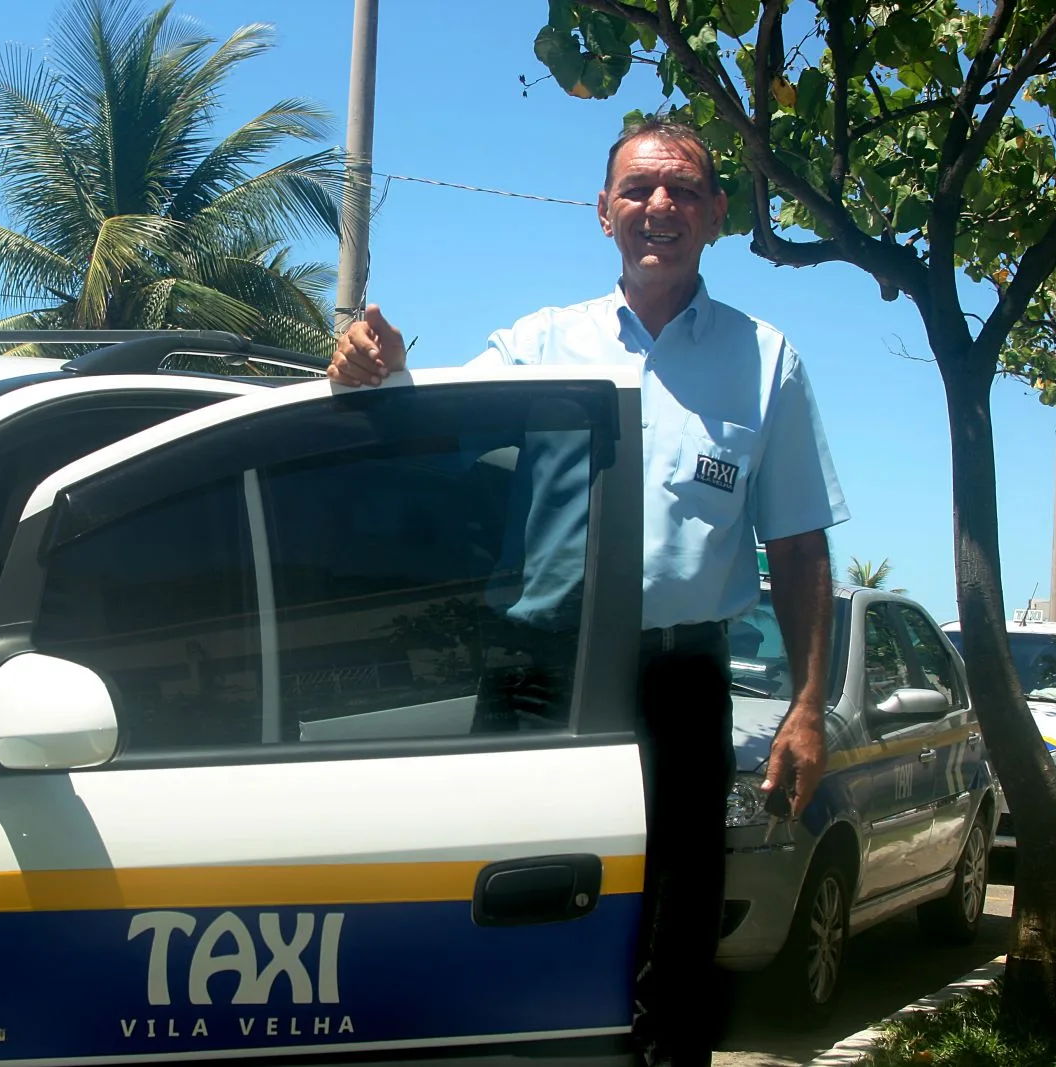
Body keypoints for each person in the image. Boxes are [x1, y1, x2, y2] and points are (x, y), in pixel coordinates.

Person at [329, 115, 848, 1067]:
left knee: (675, 923)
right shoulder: (539, 343)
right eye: (640, 189)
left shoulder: (765, 362)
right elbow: (423, 425)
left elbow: (801, 548)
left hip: (681, 681)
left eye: (684, 189)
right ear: (602, 211)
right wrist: (372, 366)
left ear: (718, 213)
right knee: (505, 895)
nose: (661, 207)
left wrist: (807, 706)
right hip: (537, 669)